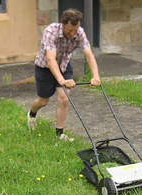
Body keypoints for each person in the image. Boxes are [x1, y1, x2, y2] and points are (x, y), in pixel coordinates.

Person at [28, 8, 101, 141]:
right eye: (70, 30)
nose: (73, 33)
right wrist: (62, 80)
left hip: (64, 65)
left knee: (64, 98)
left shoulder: (80, 32)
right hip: (44, 67)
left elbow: (89, 55)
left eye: (75, 30)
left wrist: (95, 76)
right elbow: (50, 59)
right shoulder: (50, 32)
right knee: (43, 101)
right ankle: (32, 114)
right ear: (62, 24)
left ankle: (59, 133)